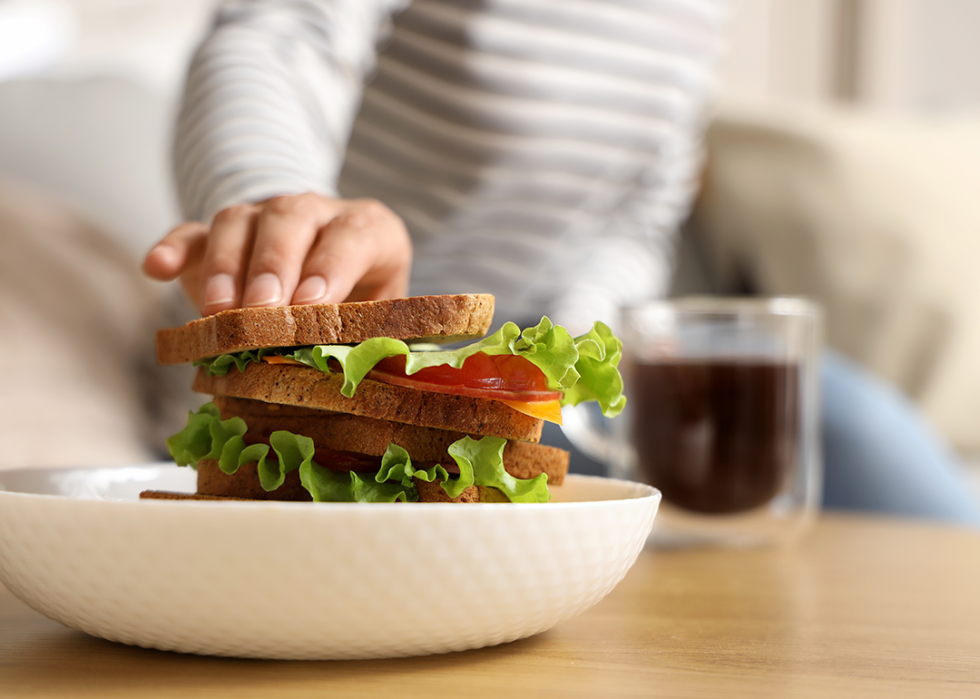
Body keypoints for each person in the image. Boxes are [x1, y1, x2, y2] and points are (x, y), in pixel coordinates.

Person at [142, 0, 980, 525]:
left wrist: (567, 363)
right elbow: (278, 35)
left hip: (554, 356)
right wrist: (280, 206)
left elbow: (644, 205)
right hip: (346, 343)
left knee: (873, 443)